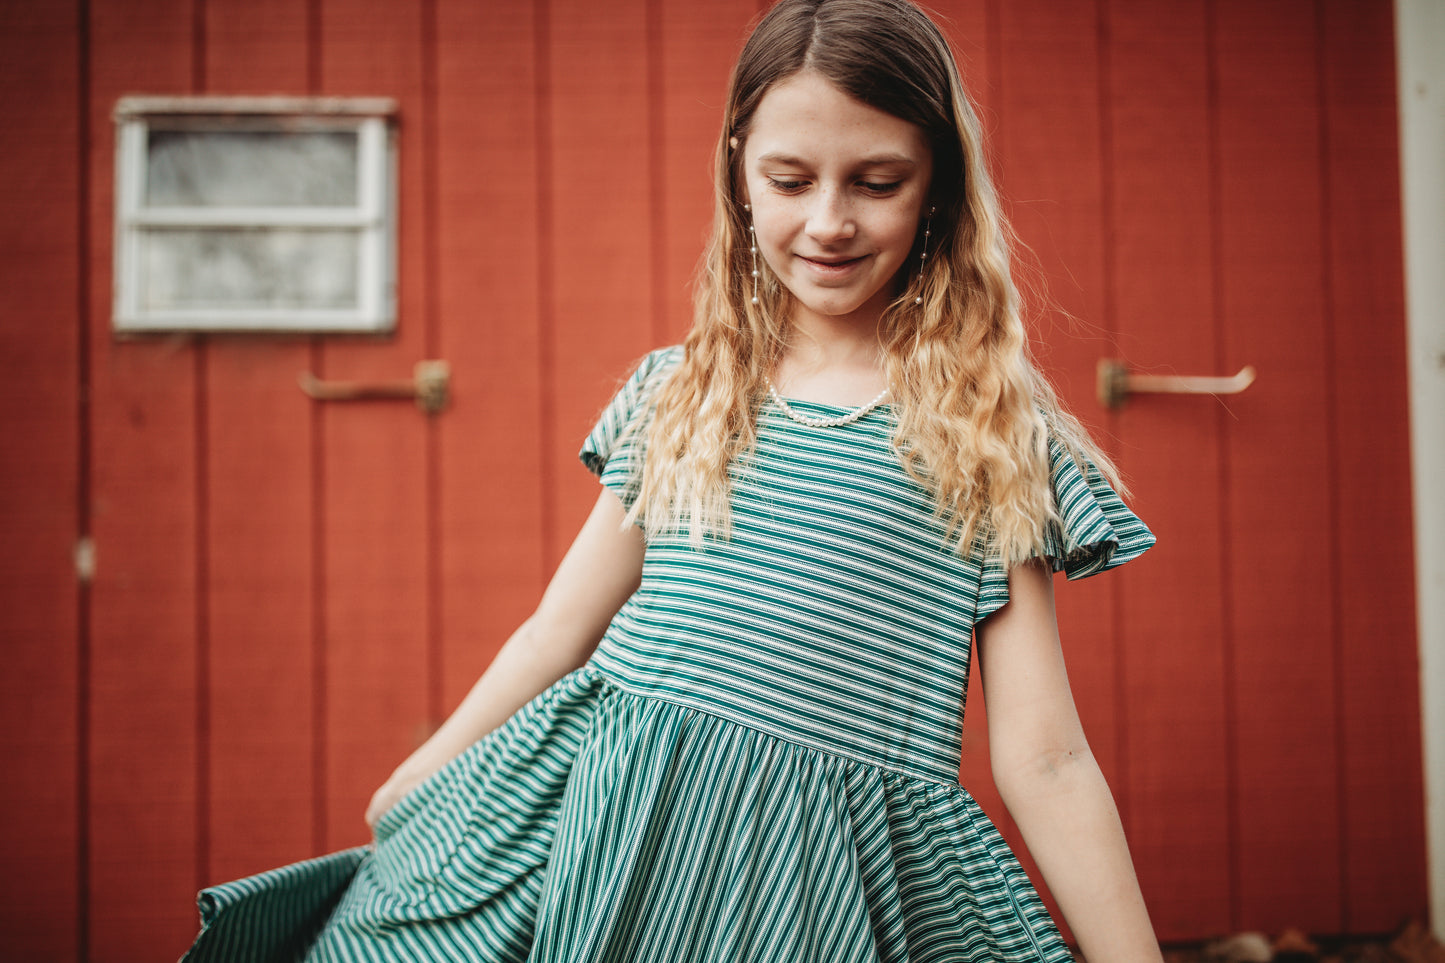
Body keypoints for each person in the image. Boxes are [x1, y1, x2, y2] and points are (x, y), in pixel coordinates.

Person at [185, 0, 1163, 959]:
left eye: (875, 181)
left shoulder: (986, 433)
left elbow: (1044, 757)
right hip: (613, 828)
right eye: (788, 178)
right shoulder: (683, 392)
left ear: (936, 188)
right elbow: (556, 634)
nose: (826, 221)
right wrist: (428, 770)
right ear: (739, 172)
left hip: (808, 883)